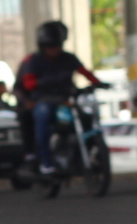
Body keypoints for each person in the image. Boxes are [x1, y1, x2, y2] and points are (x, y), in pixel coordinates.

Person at [15, 20, 100, 174]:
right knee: (43, 116)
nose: (55, 50)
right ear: (43, 46)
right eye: (51, 46)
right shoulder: (34, 60)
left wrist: (98, 83)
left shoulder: (68, 58)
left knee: (85, 116)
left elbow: (85, 73)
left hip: (66, 100)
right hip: (44, 101)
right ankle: (46, 163)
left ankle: (85, 155)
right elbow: (28, 83)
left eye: (57, 45)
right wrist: (43, 83)